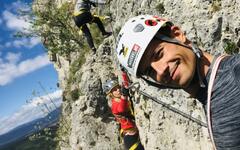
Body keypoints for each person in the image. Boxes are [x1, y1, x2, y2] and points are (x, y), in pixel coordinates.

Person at [116, 15, 240, 150]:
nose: (160, 70)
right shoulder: (211, 96)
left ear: (178, 35)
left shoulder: (236, 73)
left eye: (158, 54)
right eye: (150, 71)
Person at [103, 78, 144, 150]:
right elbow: (121, 109)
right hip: (131, 137)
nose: (118, 90)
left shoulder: (119, 100)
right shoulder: (114, 105)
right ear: (111, 94)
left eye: (118, 87)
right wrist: (124, 96)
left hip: (133, 134)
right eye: (114, 90)